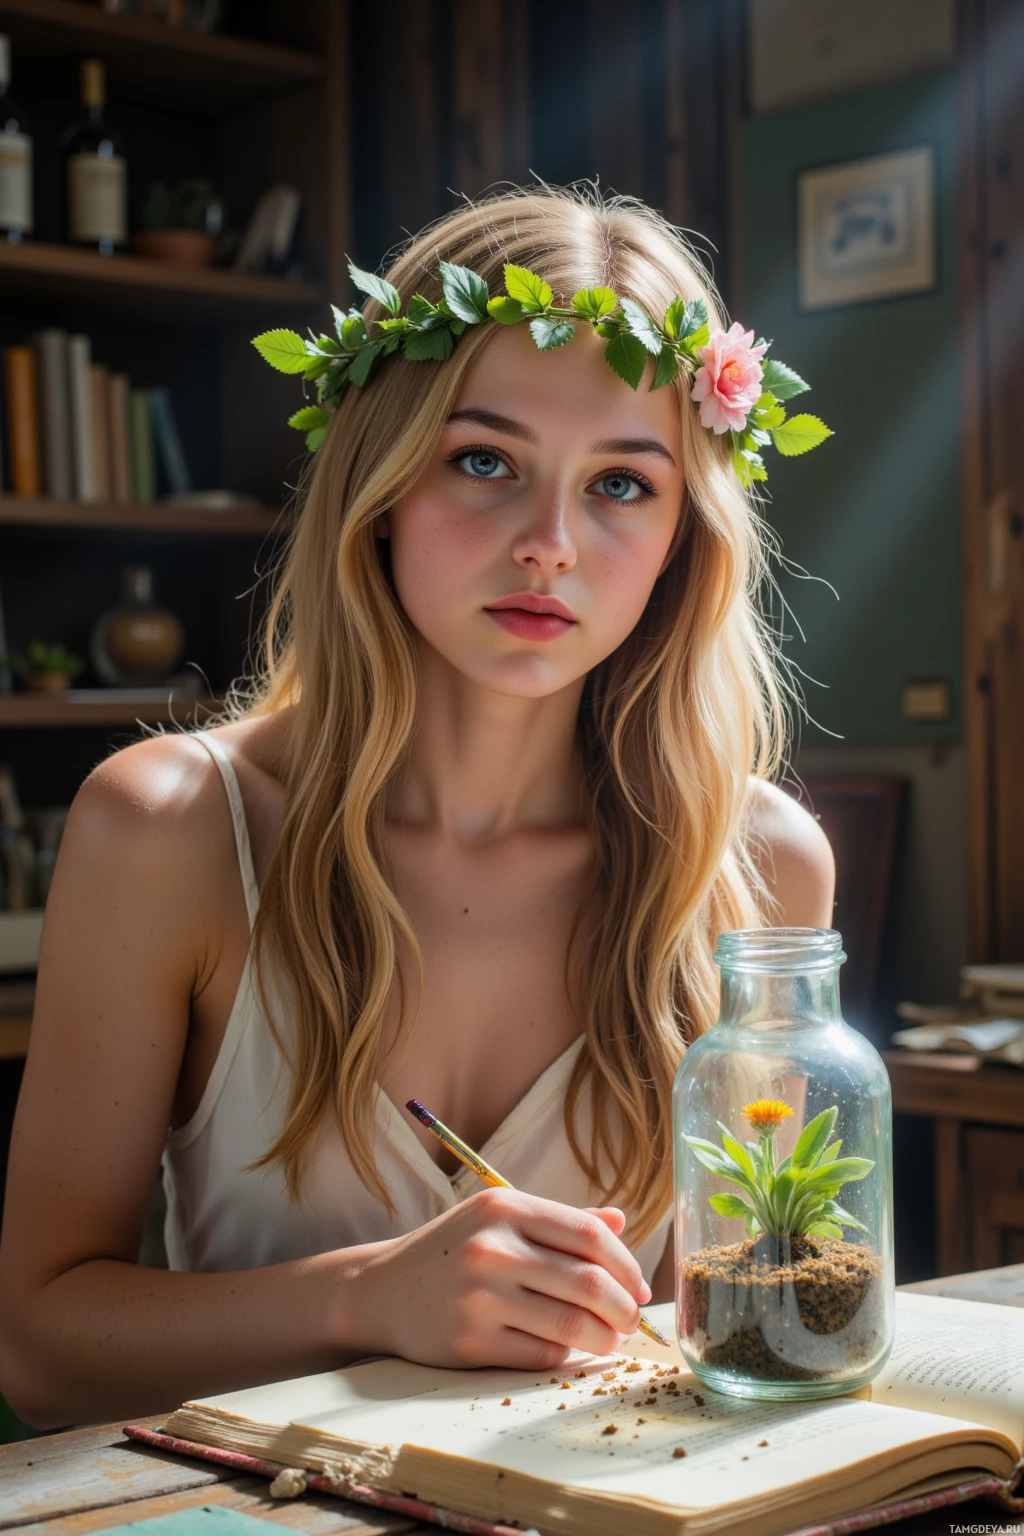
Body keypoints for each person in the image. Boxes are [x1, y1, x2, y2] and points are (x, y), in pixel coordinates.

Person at [0, 187, 833, 1429]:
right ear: (381, 482)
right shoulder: (169, 830)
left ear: (682, 538)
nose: (549, 542)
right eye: (484, 461)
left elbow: (759, 1327)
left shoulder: (754, 864)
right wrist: (363, 1299)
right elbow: (35, 1348)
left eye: (621, 484)